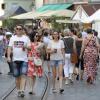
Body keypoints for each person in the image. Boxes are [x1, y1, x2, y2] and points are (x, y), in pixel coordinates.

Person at [7, 24, 31, 97]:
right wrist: (8, 57)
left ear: (22, 30)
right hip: (15, 60)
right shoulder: (12, 38)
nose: (18, 30)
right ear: (15, 30)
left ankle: (22, 90)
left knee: (23, 75)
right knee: (17, 77)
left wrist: (26, 46)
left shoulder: (26, 38)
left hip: (24, 60)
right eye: (17, 29)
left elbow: (30, 48)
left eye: (20, 29)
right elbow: (9, 48)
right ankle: (18, 90)